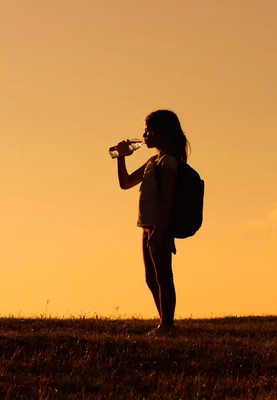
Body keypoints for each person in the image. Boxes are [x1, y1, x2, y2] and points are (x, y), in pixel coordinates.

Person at [115, 109, 190, 336]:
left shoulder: (168, 162)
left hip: (160, 226)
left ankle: (167, 325)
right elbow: (126, 183)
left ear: (161, 133)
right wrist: (121, 157)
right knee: (151, 277)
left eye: (148, 131)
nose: (144, 135)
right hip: (147, 226)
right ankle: (164, 323)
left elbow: (167, 198)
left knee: (163, 276)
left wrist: (160, 229)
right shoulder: (152, 161)